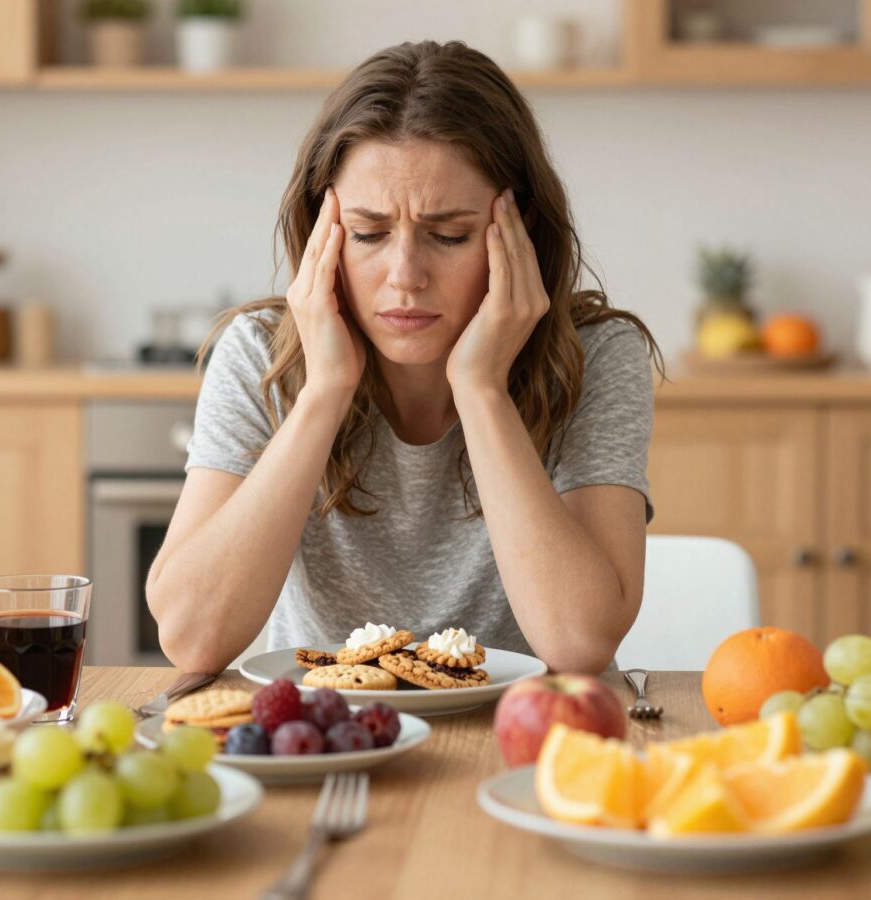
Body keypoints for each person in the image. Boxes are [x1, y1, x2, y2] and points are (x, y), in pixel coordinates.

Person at [147, 39, 663, 675]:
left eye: (449, 235)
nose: (405, 276)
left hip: (525, 744)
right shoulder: (257, 352)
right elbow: (191, 638)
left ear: (518, 229)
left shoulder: (600, 357)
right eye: (367, 234)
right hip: (331, 742)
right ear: (321, 230)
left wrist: (481, 389)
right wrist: (324, 392)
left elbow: (580, 645)